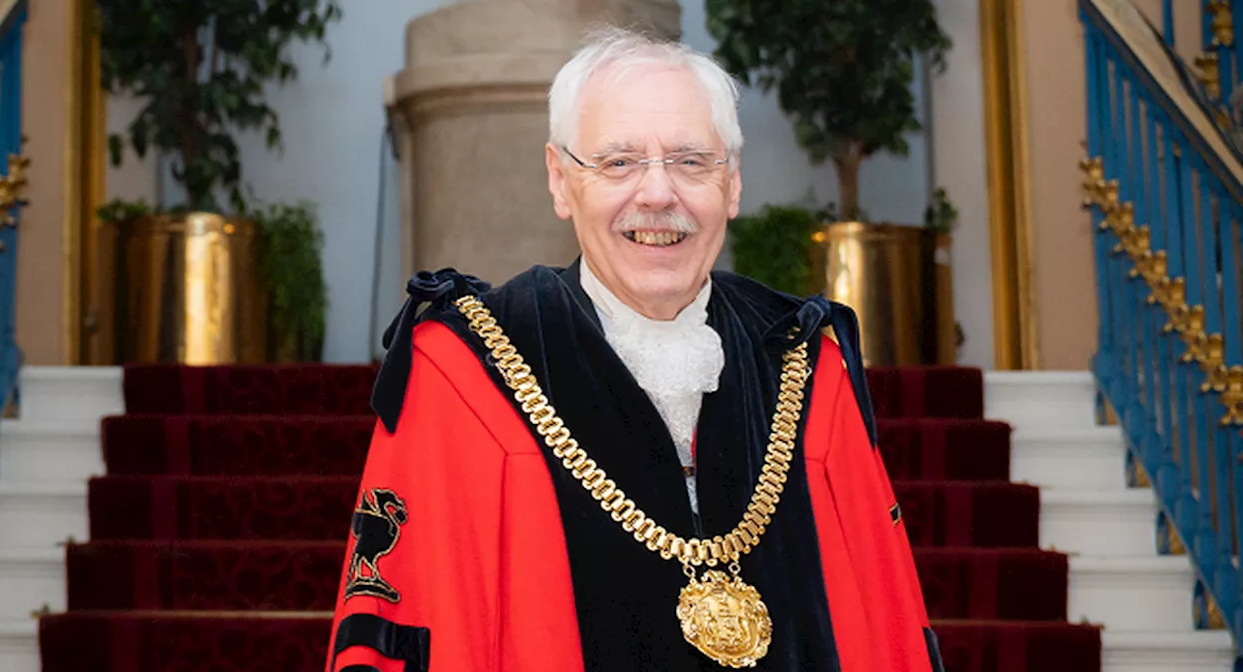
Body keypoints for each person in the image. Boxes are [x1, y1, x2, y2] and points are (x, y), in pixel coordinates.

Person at [325, 26, 943, 672]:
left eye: (690, 161)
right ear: (561, 181)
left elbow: (884, 630)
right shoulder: (464, 369)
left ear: (732, 184)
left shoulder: (804, 366)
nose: (656, 194)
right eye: (618, 162)